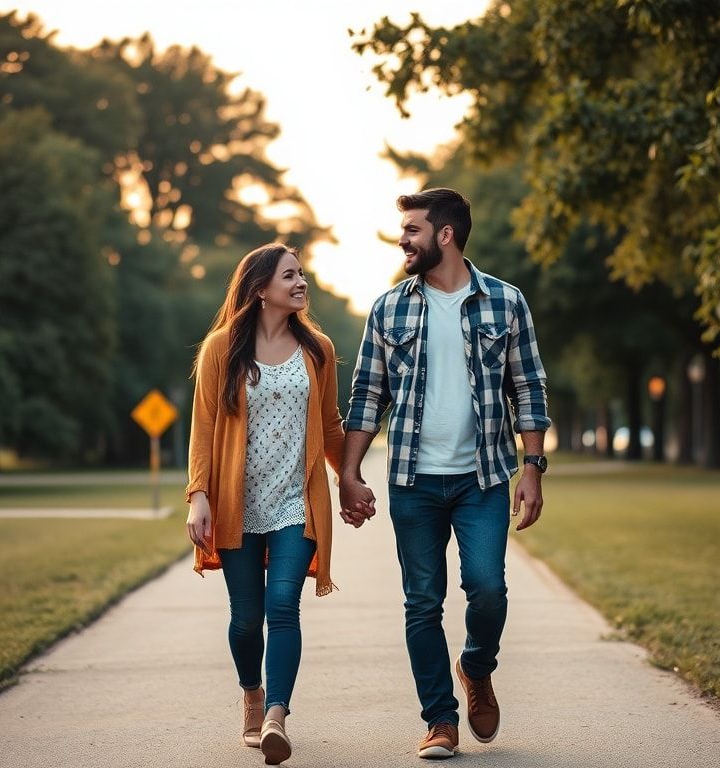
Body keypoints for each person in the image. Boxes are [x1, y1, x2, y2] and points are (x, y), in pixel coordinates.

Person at [339, 188, 550, 759]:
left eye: (412, 229)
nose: (403, 240)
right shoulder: (389, 308)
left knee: (488, 589)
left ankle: (476, 668)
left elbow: (529, 387)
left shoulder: (506, 304)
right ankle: (440, 720)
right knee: (422, 603)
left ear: (446, 234)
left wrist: (532, 468)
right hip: (413, 480)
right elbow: (367, 395)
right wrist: (349, 472)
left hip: (482, 479)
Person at [184, 243, 372, 765]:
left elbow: (331, 426)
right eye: (290, 275)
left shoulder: (318, 349)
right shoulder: (222, 348)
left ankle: (276, 717)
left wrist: (349, 479)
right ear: (260, 286)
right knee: (246, 619)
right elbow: (202, 429)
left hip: (295, 502)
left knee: (282, 606)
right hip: (235, 503)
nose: (301, 283)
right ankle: (252, 694)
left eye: (302, 274)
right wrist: (198, 495)